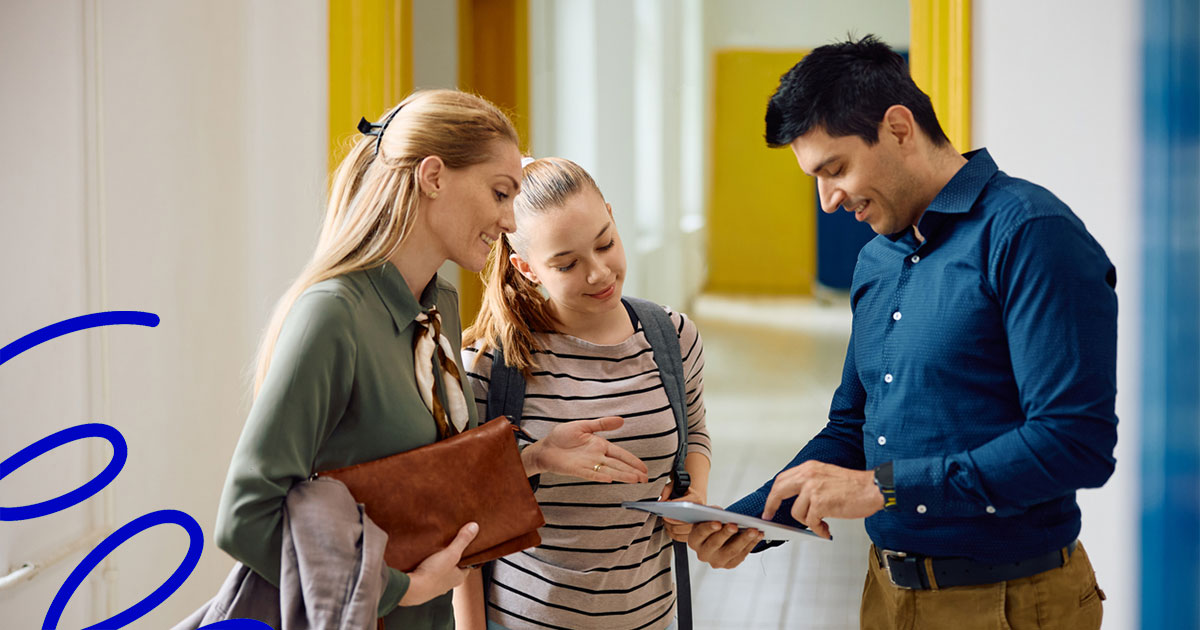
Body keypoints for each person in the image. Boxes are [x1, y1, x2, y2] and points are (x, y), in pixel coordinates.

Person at [686, 35, 1117, 629]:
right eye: (815, 178)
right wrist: (749, 520)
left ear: (897, 128)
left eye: (835, 169)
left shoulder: (1030, 234)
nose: (829, 200)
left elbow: (1075, 445)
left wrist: (883, 489)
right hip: (887, 595)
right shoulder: (878, 261)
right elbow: (853, 429)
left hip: (1011, 604)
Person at [213, 90, 650, 630]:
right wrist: (405, 588)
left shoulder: (439, 302)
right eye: (499, 193)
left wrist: (533, 458)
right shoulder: (332, 316)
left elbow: (427, 478)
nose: (509, 219)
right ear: (434, 176)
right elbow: (246, 517)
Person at [456, 157, 713, 630]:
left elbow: (694, 432)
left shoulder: (673, 337)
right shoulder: (494, 363)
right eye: (567, 263)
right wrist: (535, 458)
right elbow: (462, 511)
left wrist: (691, 493)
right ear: (526, 268)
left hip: (650, 617)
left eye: (605, 243)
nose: (599, 273)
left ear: (613, 218)